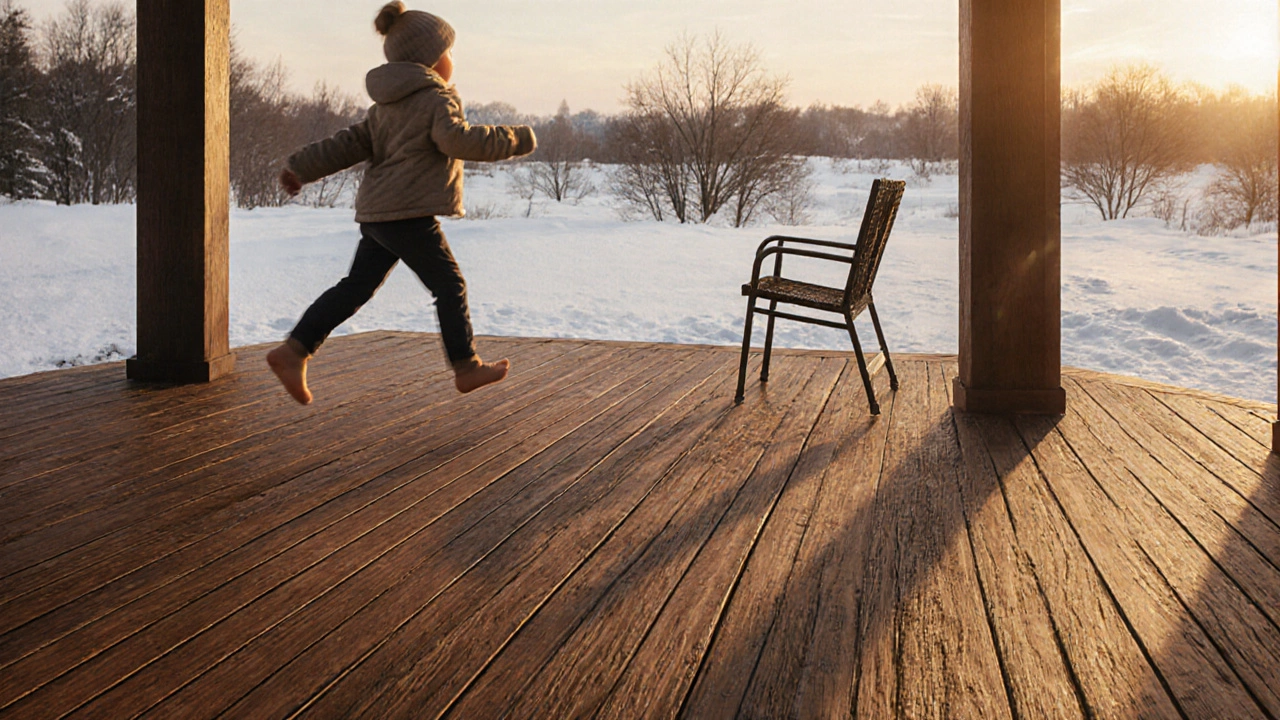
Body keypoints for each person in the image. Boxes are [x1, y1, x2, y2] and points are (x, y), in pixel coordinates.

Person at [266, 1, 537, 405]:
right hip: (408, 214)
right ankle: (465, 367)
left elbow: (347, 143)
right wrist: (516, 138)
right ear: (428, 60)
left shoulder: (384, 105)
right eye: (448, 52)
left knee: (355, 287)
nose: (451, 60)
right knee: (449, 284)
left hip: (380, 214)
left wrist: (300, 167)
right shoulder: (435, 98)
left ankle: (293, 351)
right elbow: (458, 140)